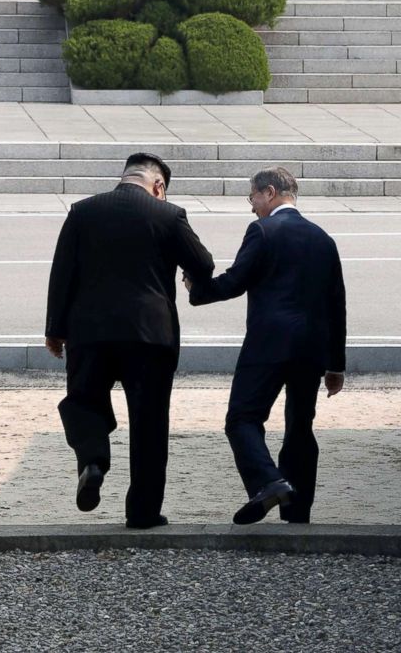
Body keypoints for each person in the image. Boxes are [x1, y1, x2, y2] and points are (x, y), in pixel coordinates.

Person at [45, 153, 214, 529]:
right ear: (159, 186)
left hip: (89, 333)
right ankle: (143, 512)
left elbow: (62, 273)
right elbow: (203, 264)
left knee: (82, 401)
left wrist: (54, 330)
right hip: (150, 335)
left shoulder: (83, 211)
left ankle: (92, 459)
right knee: (150, 423)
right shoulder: (168, 216)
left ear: (124, 177)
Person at [185, 166, 346, 525]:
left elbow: (237, 280)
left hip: (268, 342)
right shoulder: (323, 238)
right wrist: (335, 364)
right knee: (300, 426)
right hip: (312, 348)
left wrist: (197, 289)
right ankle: (297, 510)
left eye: (253, 198)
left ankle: (268, 481)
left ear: (269, 193)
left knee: (243, 417)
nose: (252, 206)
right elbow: (337, 303)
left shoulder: (262, 229)